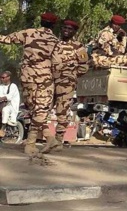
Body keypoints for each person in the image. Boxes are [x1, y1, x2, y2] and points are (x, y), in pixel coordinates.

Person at [0, 12, 60, 158]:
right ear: (53, 25)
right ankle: (32, 143)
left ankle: (49, 138)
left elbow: (6, 39)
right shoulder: (55, 40)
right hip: (45, 80)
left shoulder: (28, 33)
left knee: (33, 109)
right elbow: (58, 63)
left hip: (27, 78)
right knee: (40, 111)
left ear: (41, 21)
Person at [50, 19, 89, 151]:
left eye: (69, 29)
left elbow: (84, 67)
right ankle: (37, 137)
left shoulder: (78, 47)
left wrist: (71, 75)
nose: (66, 30)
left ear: (74, 32)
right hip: (49, 83)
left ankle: (58, 141)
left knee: (62, 111)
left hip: (66, 84)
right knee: (42, 108)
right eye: (64, 28)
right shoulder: (54, 44)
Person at [0, 71, 21, 146]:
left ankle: (2, 128)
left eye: (3, 77)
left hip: (11, 106)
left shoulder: (13, 86)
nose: (1, 79)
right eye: (1, 77)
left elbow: (9, 97)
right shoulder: (1, 86)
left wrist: (2, 98)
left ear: (8, 77)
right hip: (2, 104)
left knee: (5, 110)